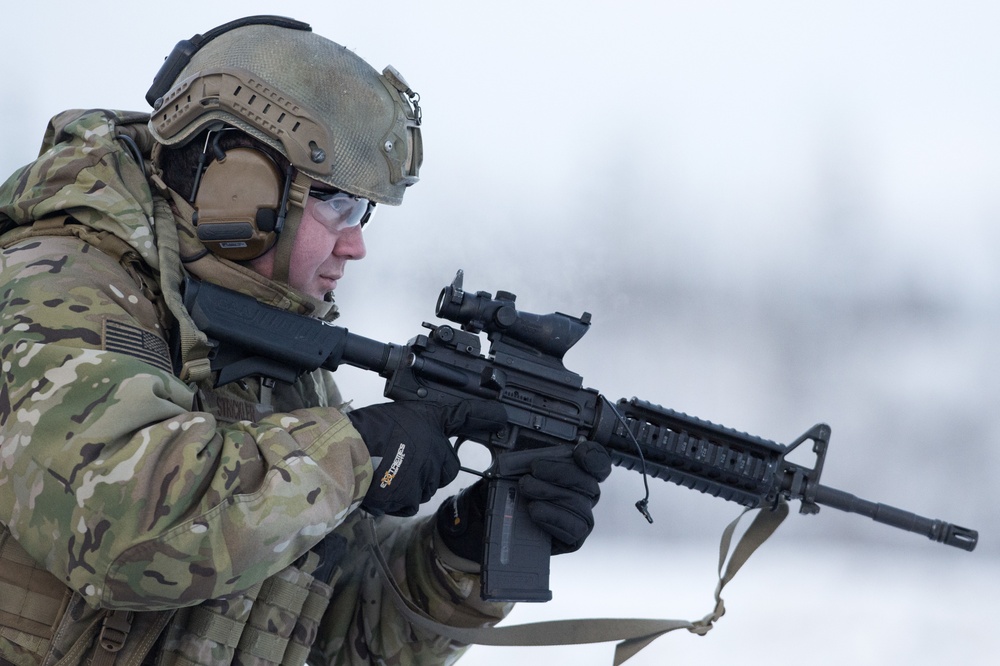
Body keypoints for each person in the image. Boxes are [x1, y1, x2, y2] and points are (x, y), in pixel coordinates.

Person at [0, 15, 611, 666]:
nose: (357, 244)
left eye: (363, 212)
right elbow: (121, 532)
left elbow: (335, 634)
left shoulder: (277, 359)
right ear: (242, 187)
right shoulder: (54, 285)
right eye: (337, 204)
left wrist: (463, 547)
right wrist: (355, 453)